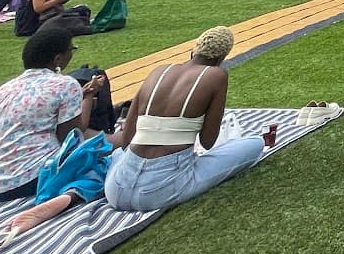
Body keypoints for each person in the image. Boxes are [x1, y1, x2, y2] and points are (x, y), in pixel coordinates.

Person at [104, 26, 274, 211]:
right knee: (254, 144)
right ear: (220, 59)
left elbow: (126, 139)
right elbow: (208, 142)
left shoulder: (158, 71)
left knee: (118, 155)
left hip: (116, 189)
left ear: (192, 51)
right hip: (161, 190)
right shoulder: (216, 75)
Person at [0, 26, 100, 202]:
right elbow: (72, 138)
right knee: (99, 158)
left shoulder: (4, 89)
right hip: (19, 181)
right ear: (58, 58)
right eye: (70, 50)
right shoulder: (66, 84)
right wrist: (88, 97)